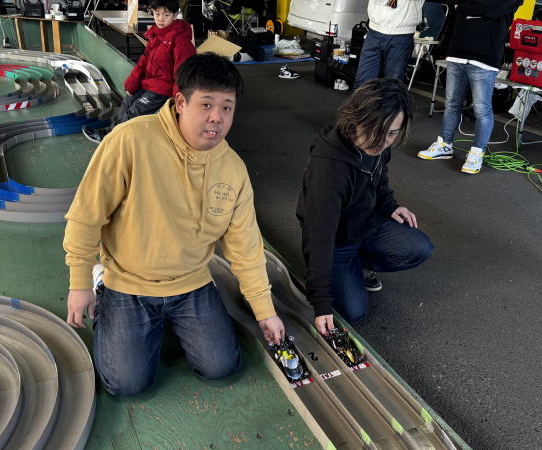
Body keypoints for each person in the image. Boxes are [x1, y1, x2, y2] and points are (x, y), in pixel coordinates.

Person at [65, 53, 285, 395]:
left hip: (191, 282)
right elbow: (86, 215)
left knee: (220, 366)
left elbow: (246, 247)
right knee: (126, 383)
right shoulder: (130, 140)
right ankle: (100, 283)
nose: (217, 118)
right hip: (128, 280)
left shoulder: (233, 169)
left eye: (227, 107)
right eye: (206, 105)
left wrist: (265, 311)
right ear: (180, 102)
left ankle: (168, 321)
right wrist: (78, 282)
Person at [296, 78, 433, 334]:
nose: (382, 142)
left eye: (392, 133)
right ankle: (340, 271)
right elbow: (318, 236)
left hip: (366, 223)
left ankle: (358, 265)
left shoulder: (378, 145)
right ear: (354, 119)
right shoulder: (329, 170)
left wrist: (390, 205)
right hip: (336, 240)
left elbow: (379, 178)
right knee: (352, 312)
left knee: (419, 248)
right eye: (376, 131)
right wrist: (321, 301)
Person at [418, 0, 523, 174]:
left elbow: (493, 7)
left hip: (485, 57)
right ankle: (444, 145)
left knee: (482, 109)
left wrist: (463, 6)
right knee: (451, 103)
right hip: (457, 51)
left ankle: (476, 152)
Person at [82, 0, 196, 144]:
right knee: (127, 102)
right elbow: (143, 61)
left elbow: (183, 71)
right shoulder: (155, 34)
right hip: (148, 84)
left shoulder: (180, 40)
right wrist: (132, 83)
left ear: (175, 15)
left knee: (135, 111)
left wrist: (177, 98)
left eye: (166, 15)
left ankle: (108, 137)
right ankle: (120, 136)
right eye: (157, 14)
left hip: (162, 89)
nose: (161, 19)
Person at [354, 0, 425, 88]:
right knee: (363, 80)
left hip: (402, 34)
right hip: (374, 32)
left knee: (393, 84)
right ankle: (362, 97)